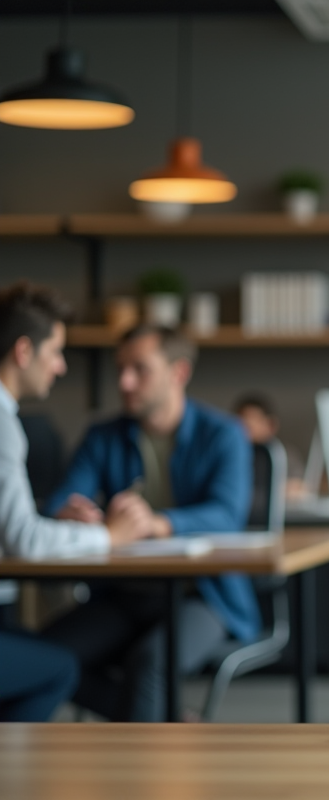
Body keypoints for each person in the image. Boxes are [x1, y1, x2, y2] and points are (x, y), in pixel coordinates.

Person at [42, 324, 255, 722]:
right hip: (122, 592)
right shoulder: (102, 436)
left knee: (150, 665)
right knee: (45, 659)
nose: (124, 381)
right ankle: (165, 723)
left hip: (203, 595)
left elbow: (228, 515)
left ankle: (142, 771)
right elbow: (62, 499)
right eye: (120, 369)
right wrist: (71, 511)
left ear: (179, 373)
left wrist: (159, 523)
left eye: (140, 369)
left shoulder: (224, 434)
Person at [0, 282, 154, 722]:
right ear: (24, 351)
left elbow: (14, 526)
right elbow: (24, 542)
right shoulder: (3, 424)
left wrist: (55, 520)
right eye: (55, 352)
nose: (62, 366)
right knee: (58, 668)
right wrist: (109, 536)